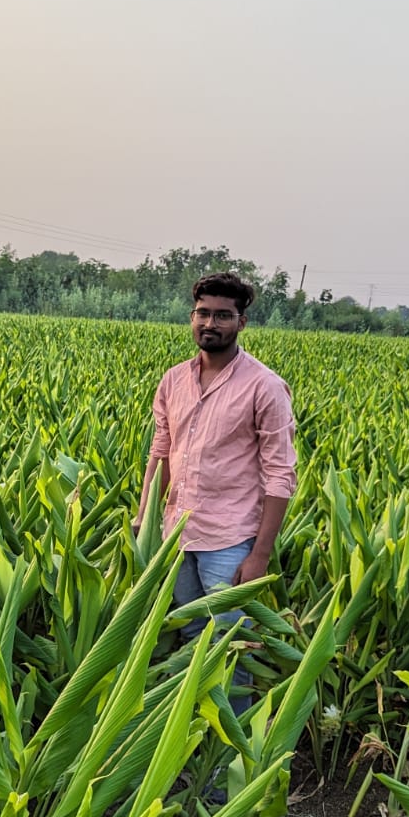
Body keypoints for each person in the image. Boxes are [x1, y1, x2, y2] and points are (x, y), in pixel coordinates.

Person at [134, 271, 297, 654]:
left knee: (229, 645)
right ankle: (196, 713)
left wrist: (259, 555)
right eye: (202, 313)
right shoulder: (173, 380)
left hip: (229, 541)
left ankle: (232, 716)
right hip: (176, 533)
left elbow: (280, 475)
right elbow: (161, 452)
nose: (210, 323)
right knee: (192, 635)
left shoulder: (265, 387)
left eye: (223, 315)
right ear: (191, 317)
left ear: (242, 322)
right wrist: (145, 516)